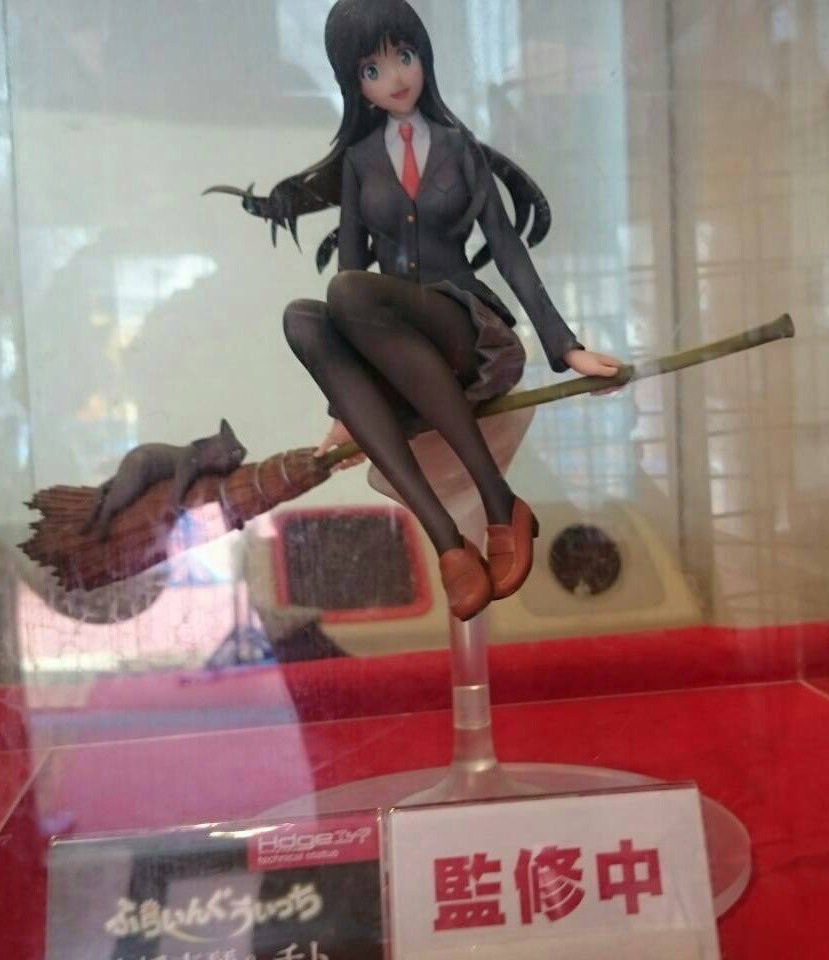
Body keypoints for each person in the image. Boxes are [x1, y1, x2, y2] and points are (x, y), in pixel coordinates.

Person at [238, 0, 621, 620]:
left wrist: (566, 348)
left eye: (404, 56)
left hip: (465, 330)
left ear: (424, 55)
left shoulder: (459, 147)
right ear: (355, 83)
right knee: (303, 317)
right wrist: (346, 411)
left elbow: (506, 247)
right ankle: (448, 541)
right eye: (372, 69)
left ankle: (499, 502)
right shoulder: (360, 162)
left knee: (350, 292)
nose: (394, 77)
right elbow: (349, 271)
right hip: (393, 343)